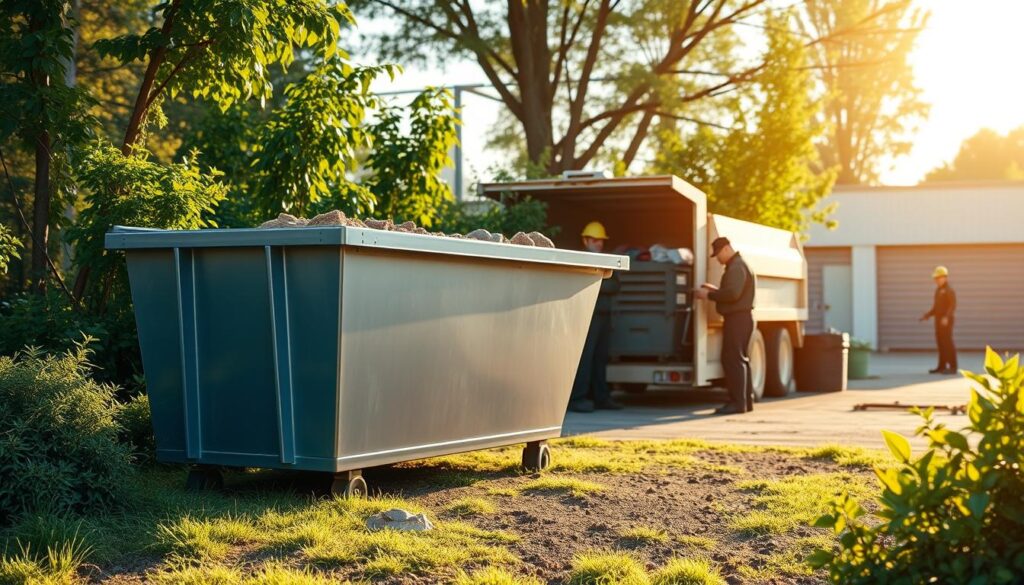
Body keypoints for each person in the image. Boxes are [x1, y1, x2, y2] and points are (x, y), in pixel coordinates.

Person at [693, 236, 756, 415]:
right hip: (742, 318)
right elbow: (733, 292)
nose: (718, 258)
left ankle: (736, 403)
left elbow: (733, 294)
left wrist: (709, 295)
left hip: (737, 319)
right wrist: (715, 291)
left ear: (727, 248)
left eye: (718, 254)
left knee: (732, 359)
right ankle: (745, 402)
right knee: (740, 359)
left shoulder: (736, 267)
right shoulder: (739, 265)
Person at [568, 221, 624, 413]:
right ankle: (577, 399)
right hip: (587, 317)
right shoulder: (580, 260)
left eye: (601, 240)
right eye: (594, 240)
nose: (599, 243)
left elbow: (615, 286)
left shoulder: (607, 260)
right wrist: (602, 284)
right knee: (585, 358)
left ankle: (602, 398)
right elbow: (580, 285)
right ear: (585, 240)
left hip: (604, 316)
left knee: (600, 358)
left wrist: (596, 283)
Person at [920, 265, 957, 374]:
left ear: (944, 277)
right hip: (938, 321)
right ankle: (941, 366)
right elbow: (936, 307)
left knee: (948, 344)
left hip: (946, 321)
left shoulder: (949, 290)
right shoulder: (938, 290)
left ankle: (953, 367)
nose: (936, 280)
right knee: (941, 344)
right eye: (935, 278)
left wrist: (946, 317)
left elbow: (952, 305)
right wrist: (927, 315)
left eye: (938, 278)